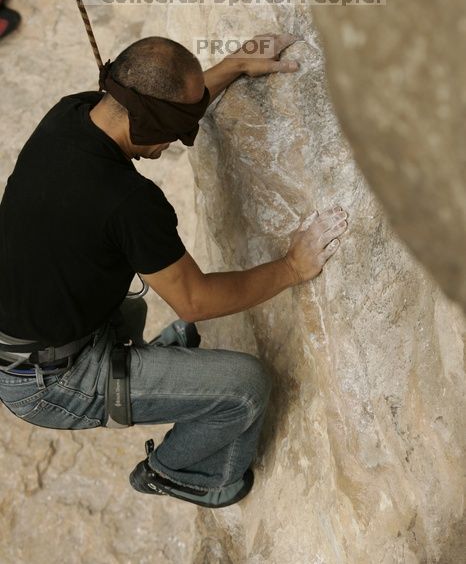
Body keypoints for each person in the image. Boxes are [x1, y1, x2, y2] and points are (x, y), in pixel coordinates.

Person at [0, 33, 348, 508]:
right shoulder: (128, 203)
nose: (180, 140)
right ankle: (179, 473)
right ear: (146, 117)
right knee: (246, 387)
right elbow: (196, 301)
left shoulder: (71, 114)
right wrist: (292, 266)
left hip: (31, 337)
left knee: (132, 303)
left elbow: (154, 105)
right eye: (179, 128)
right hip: (50, 382)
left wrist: (232, 67)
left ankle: (142, 366)